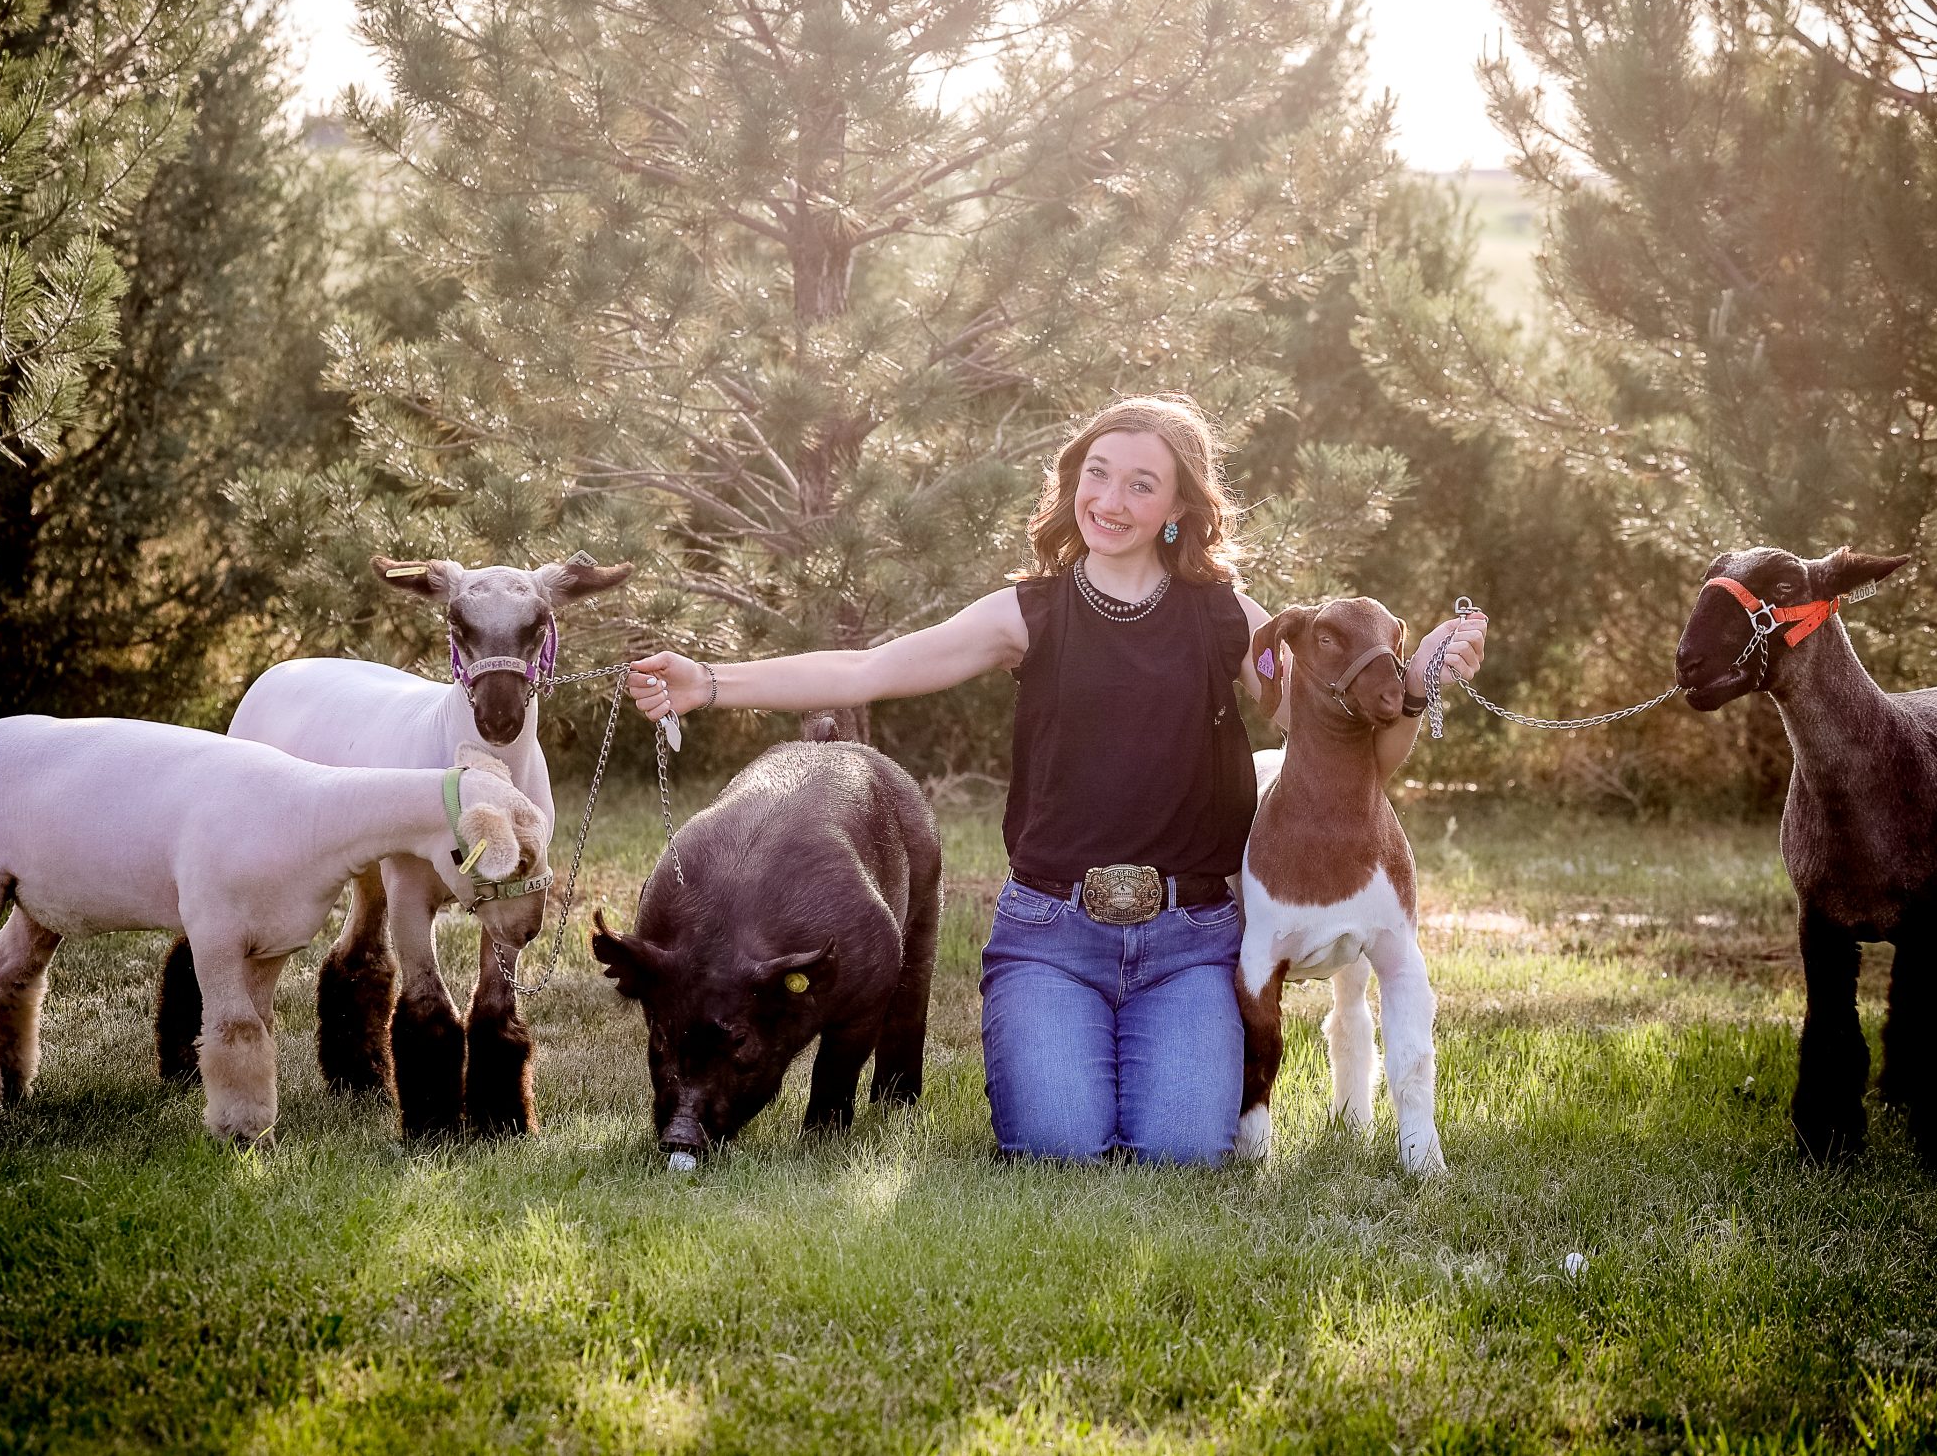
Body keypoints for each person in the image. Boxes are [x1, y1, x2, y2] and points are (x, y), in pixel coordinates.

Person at [625, 395, 1489, 1163]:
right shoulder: (1027, 613)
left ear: (1181, 505)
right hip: (1052, 931)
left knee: (1181, 1149)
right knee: (1057, 1144)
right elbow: (867, 669)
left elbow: (1353, 762)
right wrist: (711, 681)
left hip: (1189, 935)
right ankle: (1065, 1041)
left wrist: (1414, 690)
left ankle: (1155, 1055)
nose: (1110, 501)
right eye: (1097, 475)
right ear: (1073, 483)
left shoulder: (1231, 619)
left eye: (1141, 485)